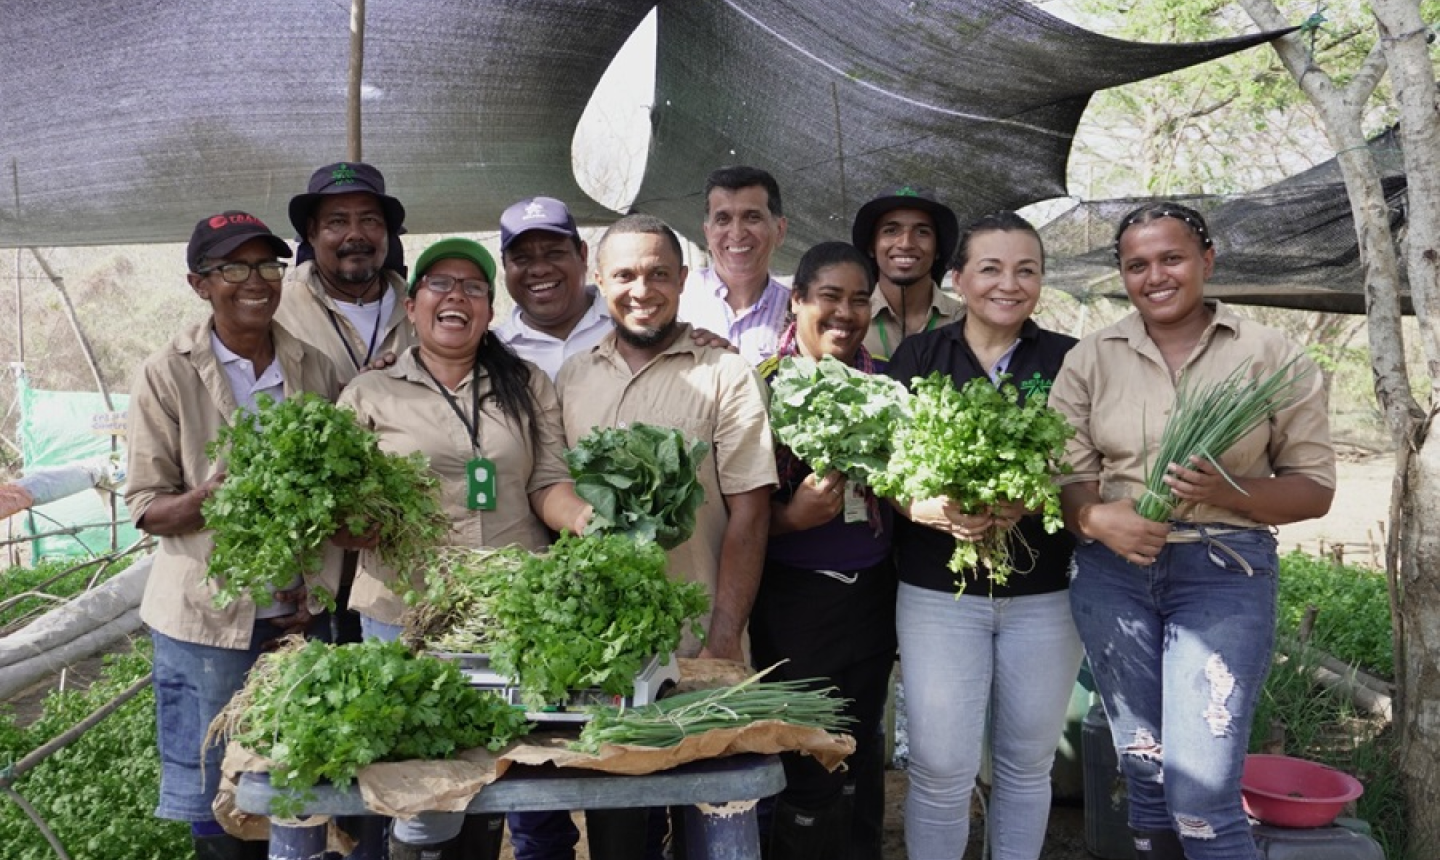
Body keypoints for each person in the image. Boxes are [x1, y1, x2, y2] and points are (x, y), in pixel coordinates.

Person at [1049, 202, 1335, 860]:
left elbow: (1315, 490)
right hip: (1111, 579)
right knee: (1145, 775)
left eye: (1172, 258)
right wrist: (1096, 519)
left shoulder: (1269, 353)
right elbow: (1066, 478)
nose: (1156, 275)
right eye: (1136, 265)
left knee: (1202, 795)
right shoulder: (1092, 356)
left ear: (1206, 260)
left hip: (1224, 574)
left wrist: (1225, 491)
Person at [337, 238, 591, 860]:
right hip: (405, 617)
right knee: (426, 786)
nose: (457, 297)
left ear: (489, 308)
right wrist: (351, 524)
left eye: (474, 288)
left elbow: (546, 483)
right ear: (414, 303)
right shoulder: (370, 394)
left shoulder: (526, 384)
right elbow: (336, 508)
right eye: (440, 284)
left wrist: (587, 520)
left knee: (531, 778)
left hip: (512, 615)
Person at [126, 212, 343, 860]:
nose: (256, 281)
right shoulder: (166, 373)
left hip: (297, 618)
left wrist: (322, 586)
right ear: (200, 284)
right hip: (206, 624)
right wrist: (207, 502)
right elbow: (144, 505)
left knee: (300, 783)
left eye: (268, 266)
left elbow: (334, 495)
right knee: (215, 797)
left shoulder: (314, 367)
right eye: (233, 268)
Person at [884, 212, 1082, 860]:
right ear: (959, 278)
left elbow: (1090, 466)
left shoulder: (1069, 361)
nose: (1009, 284)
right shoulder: (918, 357)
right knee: (942, 767)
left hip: (1044, 595)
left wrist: (1036, 495)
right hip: (940, 596)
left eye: (1027, 270)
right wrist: (927, 507)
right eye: (991, 268)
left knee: (1026, 765)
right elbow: (885, 471)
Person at [557, 212, 777, 661]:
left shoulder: (726, 373)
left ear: (681, 280)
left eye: (658, 274)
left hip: (693, 638)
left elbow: (751, 516)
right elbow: (555, 487)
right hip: (591, 638)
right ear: (599, 281)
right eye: (624, 276)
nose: (641, 291)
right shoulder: (573, 375)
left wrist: (724, 638)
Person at [752, 241, 897, 860]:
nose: (845, 313)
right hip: (793, 600)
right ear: (798, 302)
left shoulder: (888, 385)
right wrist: (791, 518)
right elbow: (734, 512)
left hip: (872, 592)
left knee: (860, 748)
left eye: (859, 299)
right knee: (807, 751)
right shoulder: (759, 386)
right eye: (830, 298)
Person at [277, 161, 414, 643]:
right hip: (315, 569)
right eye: (337, 221)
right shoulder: (277, 311)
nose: (355, 234)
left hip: (404, 563)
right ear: (311, 235)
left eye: (370, 220)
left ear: (388, 234)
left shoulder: (422, 309)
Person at [678, 165, 791, 365]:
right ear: (707, 233)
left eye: (752, 217)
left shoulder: (796, 310)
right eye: (723, 220)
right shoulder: (677, 299)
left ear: (780, 230)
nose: (737, 233)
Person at [852, 186, 962, 362]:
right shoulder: (850, 320)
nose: (905, 243)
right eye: (891, 230)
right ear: (871, 247)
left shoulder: (965, 320)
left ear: (938, 249)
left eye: (922, 232)